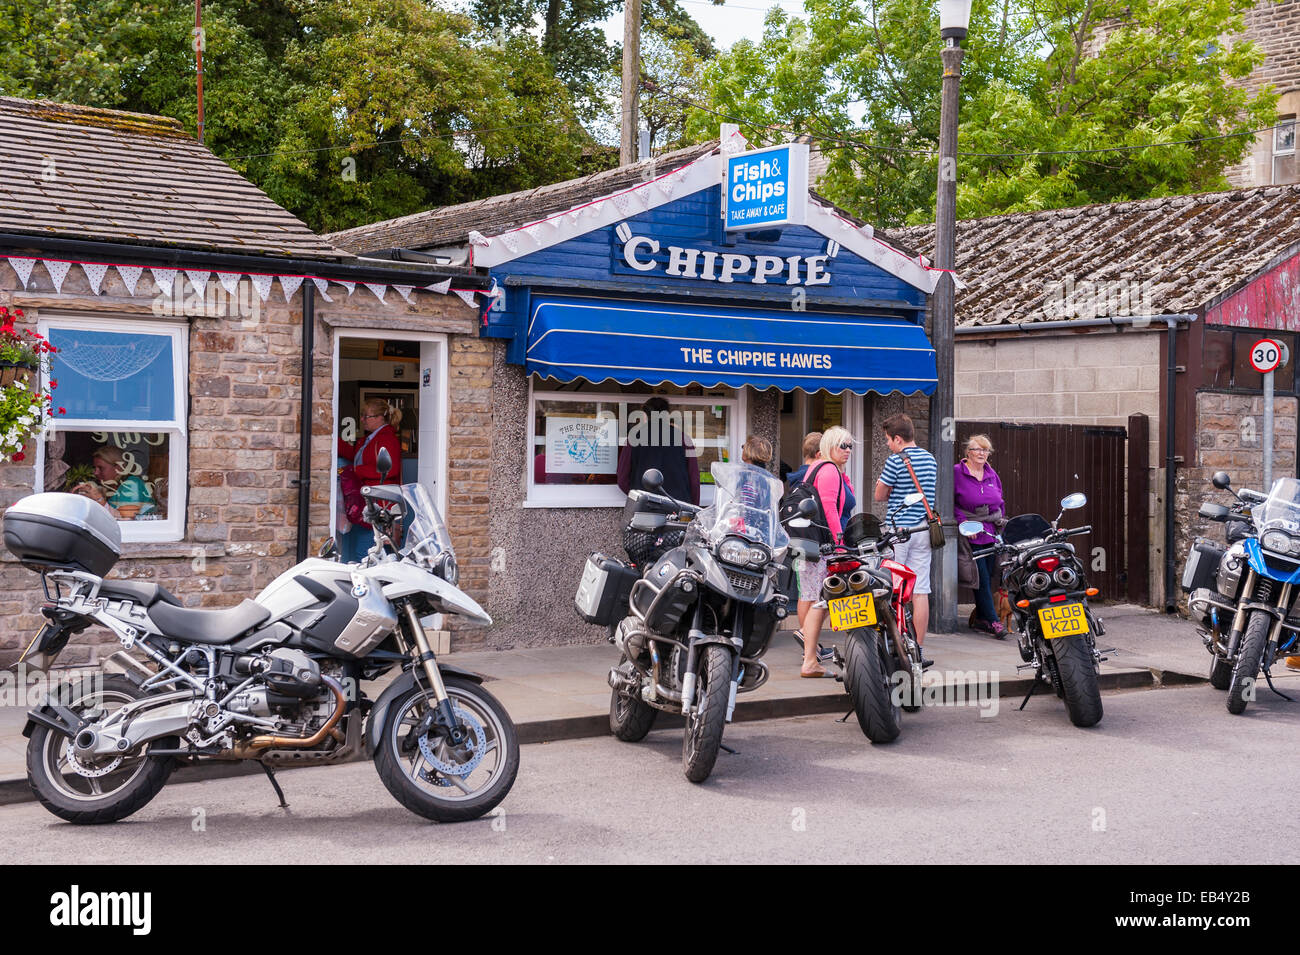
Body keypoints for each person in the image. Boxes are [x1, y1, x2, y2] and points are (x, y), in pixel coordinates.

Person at [874, 413, 937, 659]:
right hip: (923, 529)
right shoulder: (930, 459)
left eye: (888, 440)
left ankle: (897, 643)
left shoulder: (895, 461)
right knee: (921, 590)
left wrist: (886, 484)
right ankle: (918, 647)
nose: (888, 444)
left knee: (895, 588)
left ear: (898, 439)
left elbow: (880, 494)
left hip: (899, 531)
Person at [795, 426, 854, 677]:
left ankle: (810, 657)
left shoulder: (823, 468)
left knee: (817, 599)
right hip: (824, 546)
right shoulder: (828, 470)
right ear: (829, 446)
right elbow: (830, 510)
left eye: (850, 445)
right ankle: (809, 659)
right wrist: (839, 544)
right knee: (822, 600)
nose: (848, 450)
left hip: (812, 544)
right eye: (843, 445)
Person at [954, 434, 1008, 638]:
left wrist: (999, 520)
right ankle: (994, 622)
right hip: (971, 534)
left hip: (991, 532)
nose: (981, 453)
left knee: (992, 574)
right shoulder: (957, 472)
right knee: (981, 578)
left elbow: (1000, 501)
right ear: (968, 451)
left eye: (985, 450)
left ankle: (981, 619)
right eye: (977, 449)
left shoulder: (991, 473)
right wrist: (965, 523)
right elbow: (952, 503)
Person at [338, 397, 403, 562]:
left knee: (367, 553)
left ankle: (375, 585)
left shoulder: (387, 439)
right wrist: (330, 438)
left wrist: (356, 471)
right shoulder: (370, 438)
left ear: (380, 418)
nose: (362, 419)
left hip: (379, 503)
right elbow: (355, 456)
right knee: (367, 549)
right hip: (366, 501)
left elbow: (391, 469)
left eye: (366, 416)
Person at [616, 396, 700, 504]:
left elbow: (622, 479)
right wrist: (694, 507)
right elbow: (694, 480)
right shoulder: (684, 439)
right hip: (678, 506)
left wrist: (638, 496)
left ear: (645, 415)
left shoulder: (633, 439)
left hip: (645, 507)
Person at [87, 445, 156, 519]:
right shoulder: (111, 487)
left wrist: (99, 499)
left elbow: (126, 519)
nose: (96, 473)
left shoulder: (132, 484)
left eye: (101, 468)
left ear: (119, 467)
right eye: (95, 468)